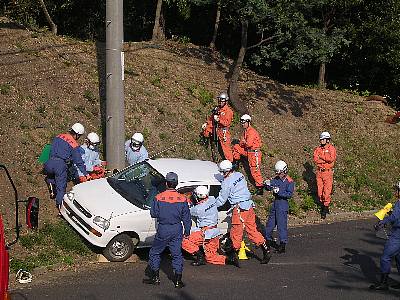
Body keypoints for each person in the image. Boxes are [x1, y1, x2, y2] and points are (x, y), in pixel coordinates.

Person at [215, 160, 272, 265]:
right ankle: (266, 249)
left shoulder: (226, 183)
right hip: (249, 206)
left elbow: (221, 200)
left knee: (236, 232)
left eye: (223, 172)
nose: (222, 174)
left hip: (239, 208)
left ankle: (233, 256)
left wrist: (211, 205)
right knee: (252, 230)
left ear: (227, 171)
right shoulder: (239, 175)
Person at [143, 172, 191, 288]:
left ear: (166, 183)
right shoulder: (183, 199)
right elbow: (187, 218)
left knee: (155, 252)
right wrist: (187, 231)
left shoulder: (158, 197)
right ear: (176, 183)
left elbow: (154, 214)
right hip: (177, 229)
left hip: (163, 228)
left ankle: (155, 278)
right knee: (177, 254)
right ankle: (178, 281)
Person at [182, 186, 237, 267]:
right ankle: (229, 260)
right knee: (211, 257)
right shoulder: (212, 199)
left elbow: (187, 210)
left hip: (205, 234)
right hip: (215, 233)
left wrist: (187, 200)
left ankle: (199, 256)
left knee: (183, 240)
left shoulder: (198, 209)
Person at [44, 123, 91, 215]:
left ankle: (50, 182)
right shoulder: (74, 144)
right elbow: (78, 161)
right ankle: (60, 208)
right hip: (60, 165)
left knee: (51, 175)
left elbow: (48, 148)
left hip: (48, 163)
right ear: (77, 134)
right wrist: (86, 174)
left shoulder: (59, 136)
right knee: (61, 186)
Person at [370, 182, 400, 291]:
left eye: (397, 190)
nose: (395, 192)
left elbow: (395, 217)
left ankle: (383, 283)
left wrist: (382, 222)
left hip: (397, 235)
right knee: (398, 258)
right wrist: (392, 213)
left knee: (385, 257)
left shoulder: (399, 203)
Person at [264, 160, 295, 254]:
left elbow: (289, 194)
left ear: (284, 171)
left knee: (281, 226)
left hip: (282, 204)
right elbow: (270, 186)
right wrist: (267, 184)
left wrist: (280, 192)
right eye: (277, 173)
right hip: (275, 203)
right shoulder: (276, 179)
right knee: (270, 224)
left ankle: (282, 245)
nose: (279, 174)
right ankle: (267, 241)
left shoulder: (289, 181)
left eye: (280, 173)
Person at [232, 114, 264, 195]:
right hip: (248, 152)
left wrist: (243, 142)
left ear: (248, 122)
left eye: (244, 122)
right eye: (242, 123)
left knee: (255, 170)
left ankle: (260, 187)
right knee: (236, 147)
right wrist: (242, 143)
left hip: (254, 153)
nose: (242, 124)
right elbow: (241, 143)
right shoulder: (245, 131)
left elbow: (248, 143)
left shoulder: (251, 131)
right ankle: (236, 163)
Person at [201, 92, 234, 162]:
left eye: (222, 100)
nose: (220, 102)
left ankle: (230, 163)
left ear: (226, 101)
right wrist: (206, 123)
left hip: (223, 130)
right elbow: (211, 118)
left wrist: (219, 120)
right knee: (206, 129)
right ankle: (205, 143)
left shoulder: (228, 111)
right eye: (219, 100)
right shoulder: (217, 109)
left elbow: (227, 123)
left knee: (226, 148)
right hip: (216, 128)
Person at [313, 131, 337, 219]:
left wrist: (322, 157)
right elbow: (315, 159)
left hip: (327, 172)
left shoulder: (331, 148)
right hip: (319, 172)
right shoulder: (318, 149)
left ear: (327, 140)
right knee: (320, 192)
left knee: (326, 191)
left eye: (323, 139)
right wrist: (324, 160)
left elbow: (331, 159)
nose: (321, 141)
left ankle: (325, 207)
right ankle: (324, 204)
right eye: (321, 139)